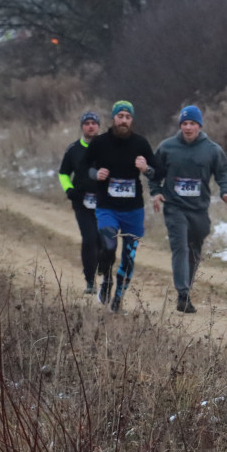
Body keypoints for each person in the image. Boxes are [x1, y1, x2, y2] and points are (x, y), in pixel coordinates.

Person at [149, 105, 227, 313]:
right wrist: (156, 191)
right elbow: (154, 173)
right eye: (184, 123)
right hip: (174, 207)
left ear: (199, 126)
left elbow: (224, 173)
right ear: (180, 125)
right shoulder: (167, 147)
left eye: (192, 123)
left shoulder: (212, 149)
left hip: (199, 209)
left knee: (195, 249)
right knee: (180, 246)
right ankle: (183, 294)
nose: (188, 127)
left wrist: (225, 192)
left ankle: (186, 287)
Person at [85, 100, 161, 312]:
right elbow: (84, 167)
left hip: (133, 210)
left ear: (132, 120)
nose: (124, 121)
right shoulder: (99, 143)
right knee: (108, 245)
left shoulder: (140, 144)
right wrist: (95, 174)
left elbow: (159, 171)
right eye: (120, 117)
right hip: (107, 206)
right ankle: (107, 280)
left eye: (128, 117)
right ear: (114, 118)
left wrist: (146, 169)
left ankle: (118, 298)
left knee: (129, 257)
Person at [58, 111, 102, 294]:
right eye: (87, 123)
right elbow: (63, 173)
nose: (90, 126)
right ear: (82, 127)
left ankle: (101, 266)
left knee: (104, 240)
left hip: (104, 202)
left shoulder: (107, 147)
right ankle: (90, 280)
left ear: (98, 126)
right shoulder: (73, 149)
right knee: (89, 238)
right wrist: (69, 190)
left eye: (94, 123)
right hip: (82, 202)